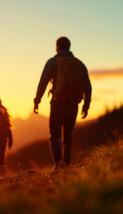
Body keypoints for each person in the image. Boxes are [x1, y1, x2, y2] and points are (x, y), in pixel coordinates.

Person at [33, 36, 92, 172]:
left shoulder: (53, 62)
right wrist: (86, 105)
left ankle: (59, 163)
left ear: (57, 47)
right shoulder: (79, 64)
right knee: (68, 135)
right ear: (69, 47)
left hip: (58, 102)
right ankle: (68, 163)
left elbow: (43, 82)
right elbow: (88, 86)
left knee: (54, 134)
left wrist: (37, 100)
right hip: (74, 103)